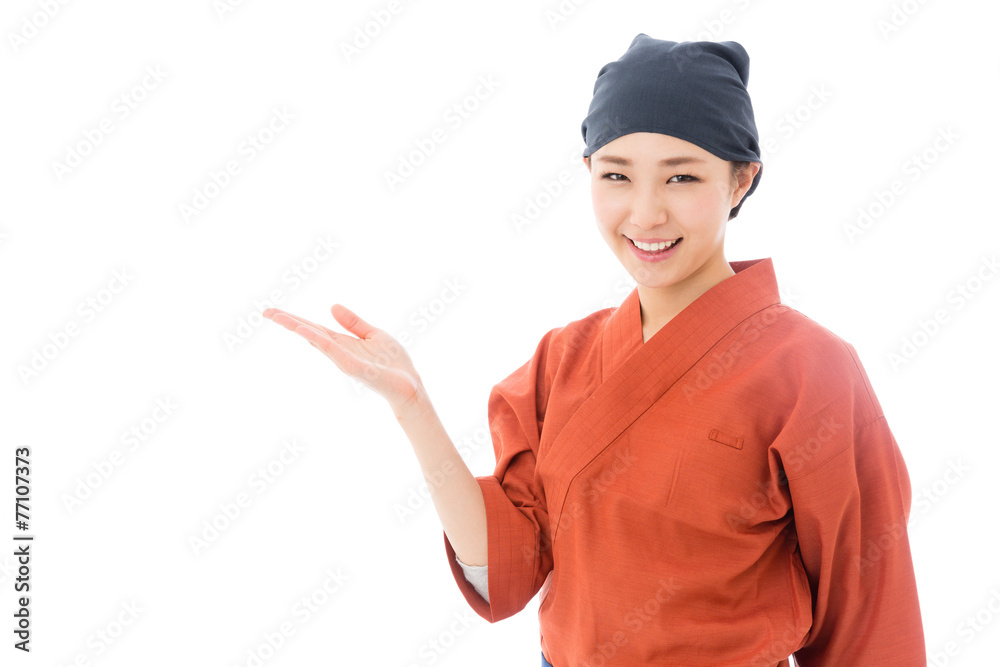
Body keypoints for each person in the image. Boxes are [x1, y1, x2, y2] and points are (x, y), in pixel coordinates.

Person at [263, 33, 925, 666]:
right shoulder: (562, 359)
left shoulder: (814, 371)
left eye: (682, 178)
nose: (644, 213)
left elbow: (870, 609)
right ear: (587, 173)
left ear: (742, 178)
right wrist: (414, 407)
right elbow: (507, 572)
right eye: (616, 176)